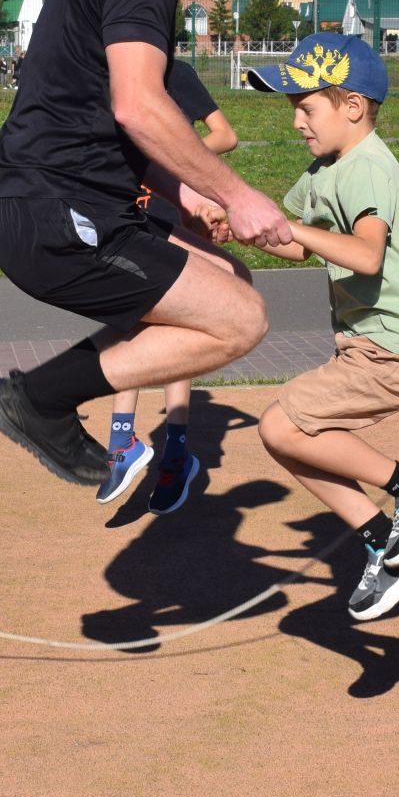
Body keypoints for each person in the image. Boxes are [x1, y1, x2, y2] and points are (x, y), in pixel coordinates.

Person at [0, 0, 290, 485]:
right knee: (241, 319)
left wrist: (189, 194)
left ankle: (46, 400)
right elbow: (138, 106)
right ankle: (40, 401)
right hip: (59, 214)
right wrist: (237, 196)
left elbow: (94, 113)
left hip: (62, 203)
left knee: (228, 278)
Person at [246, 35, 399, 620]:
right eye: (292, 106)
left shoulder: (367, 168)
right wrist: (247, 229)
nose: (296, 121)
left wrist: (291, 232)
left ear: (352, 106)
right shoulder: (329, 168)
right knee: (290, 439)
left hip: (398, 347)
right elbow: (300, 242)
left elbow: (365, 255)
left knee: (283, 426)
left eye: (306, 106)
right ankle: (382, 540)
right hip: (372, 346)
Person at [100, 56, 242, 513]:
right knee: (130, 326)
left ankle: (171, 450)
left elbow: (225, 134)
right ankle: (128, 444)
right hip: (123, 220)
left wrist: (177, 157)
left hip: (169, 217)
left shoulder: (176, 75)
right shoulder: (109, 78)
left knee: (173, 327)